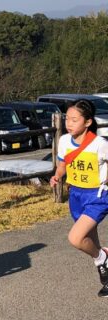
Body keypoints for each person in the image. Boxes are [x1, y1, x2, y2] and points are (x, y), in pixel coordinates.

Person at [50, 99, 108, 296]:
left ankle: (102, 258)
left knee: (76, 238)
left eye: (75, 120)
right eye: (67, 119)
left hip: (97, 196)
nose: (69, 123)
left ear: (88, 122)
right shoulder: (65, 141)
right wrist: (57, 176)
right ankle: (105, 270)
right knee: (89, 238)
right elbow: (62, 164)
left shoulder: (100, 144)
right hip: (76, 195)